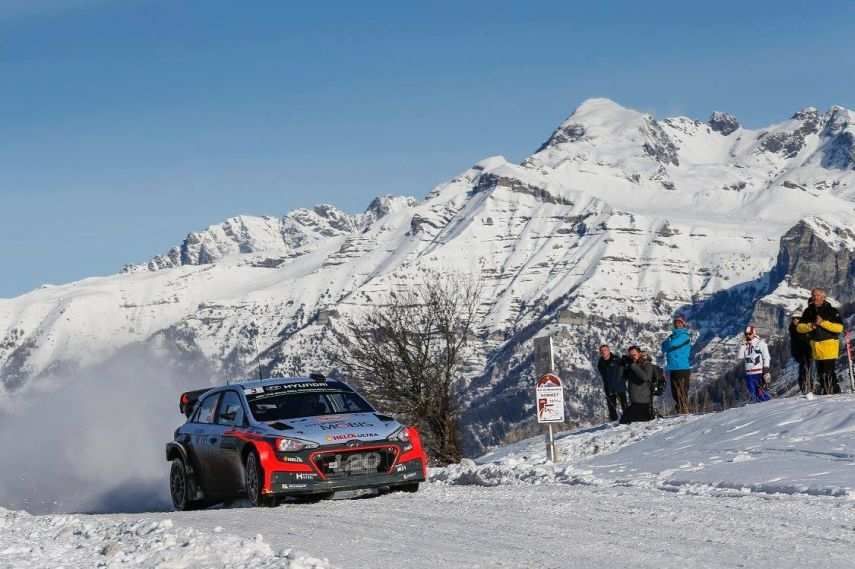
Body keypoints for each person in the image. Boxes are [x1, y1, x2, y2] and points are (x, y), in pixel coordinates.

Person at [796, 288, 844, 395]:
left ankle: (833, 393)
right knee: (821, 374)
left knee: (828, 373)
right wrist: (810, 326)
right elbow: (799, 328)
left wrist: (822, 323)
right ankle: (829, 393)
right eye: (813, 295)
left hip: (829, 346)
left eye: (817, 295)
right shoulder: (808, 311)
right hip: (816, 348)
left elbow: (839, 328)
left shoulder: (832, 311)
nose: (815, 297)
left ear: (823, 297)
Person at [661, 316, 693, 414]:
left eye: (680, 322)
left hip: (682, 367)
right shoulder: (671, 336)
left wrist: (668, 344)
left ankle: (684, 410)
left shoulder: (685, 336)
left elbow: (671, 345)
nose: (677, 324)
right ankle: (680, 409)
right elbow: (663, 347)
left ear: (683, 324)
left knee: (682, 391)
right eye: (676, 322)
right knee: (675, 392)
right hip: (673, 368)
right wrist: (668, 343)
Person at [620, 346, 655, 424]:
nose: (632, 357)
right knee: (624, 420)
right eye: (630, 355)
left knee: (625, 421)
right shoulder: (631, 365)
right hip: (634, 401)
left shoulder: (646, 364)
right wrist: (622, 366)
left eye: (634, 355)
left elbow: (646, 378)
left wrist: (633, 365)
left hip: (643, 402)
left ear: (639, 354)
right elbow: (622, 378)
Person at [738, 325, 772, 402]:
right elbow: (740, 357)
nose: (747, 335)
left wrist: (766, 370)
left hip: (758, 372)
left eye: (749, 333)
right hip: (749, 373)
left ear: (753, 333)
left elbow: (766, 357)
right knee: (752, 392)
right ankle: (758, 407)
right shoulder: (746, 344)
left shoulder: (760, 343)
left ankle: (769, 404)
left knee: (760, 392)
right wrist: (743, 345)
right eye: (746, 334)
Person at [597, 344, 628, 422]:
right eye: (602, 351)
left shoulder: (617, 359)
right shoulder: (600, 363)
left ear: (609, 350)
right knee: (611, 406)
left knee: (624, 403)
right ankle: (613, 420)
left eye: (605, 350)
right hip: (609, 386)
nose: (603, 352)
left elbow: (625, 369)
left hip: (619, 385)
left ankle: (627, 417)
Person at [789, 312, 813, 394]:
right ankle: (806, 388)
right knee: (804, 369)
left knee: (806, 369)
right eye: (793, 319)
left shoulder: (801, 328)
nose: (795, 320)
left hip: (806, 352)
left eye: (797, 318)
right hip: (800, 352)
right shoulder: (793, 329)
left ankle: (808, 387)